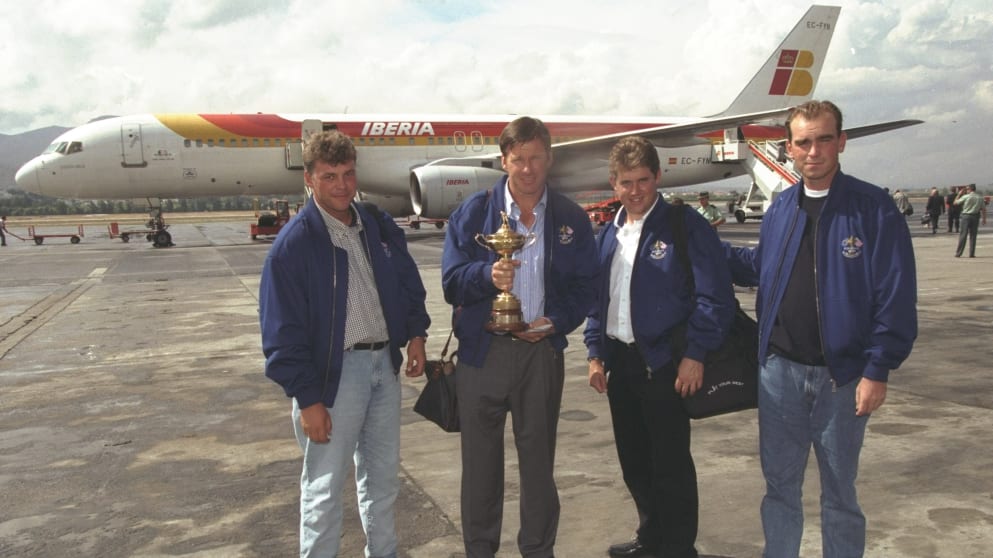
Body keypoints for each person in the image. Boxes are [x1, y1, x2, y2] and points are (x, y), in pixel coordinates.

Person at [724, 100, 918, 558]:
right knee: (780, 488)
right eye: (804, 142)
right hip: (780, 374)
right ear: (789, 148)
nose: (813, 151)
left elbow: (895, 294)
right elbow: (761, 267)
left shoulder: (872, 209)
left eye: (823, 139)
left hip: (843, 377)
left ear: (841, 142)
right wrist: (702, 242)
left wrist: (877, 369)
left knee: (840, 494)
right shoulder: (780, 209)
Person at [259, 130, 430, 558]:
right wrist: (308, 398)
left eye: (348, 174)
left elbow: (408, 282)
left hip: (382, 370)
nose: (341, 185)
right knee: (324, 489)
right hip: (333, 381)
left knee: (382, 483)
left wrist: (417, 334)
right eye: (329, 176)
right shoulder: (293, 247)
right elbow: (282, 335)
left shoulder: (375, 224)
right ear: (309, 180)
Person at [442, 116, 598, 558]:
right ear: (503, 161)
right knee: (480, 468)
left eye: (535, 158)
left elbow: (585, 287)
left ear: (549, 158)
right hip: (481, 354)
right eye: (517, 159)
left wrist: (555, 322)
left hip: (539, 354)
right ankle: (480, 551)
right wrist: (486, 274)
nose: (527, 169)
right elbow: (452, 282)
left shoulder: (570, 217)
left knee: (538, 466)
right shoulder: (473, 213)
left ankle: (537, 549)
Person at [584, 136, 734, 558]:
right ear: (613, 184)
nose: (635, 191)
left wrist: (696, 354)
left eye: (643, 180)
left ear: (658, 178)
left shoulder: (684, 225)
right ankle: (651, 539)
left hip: (667, 364)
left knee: (671, 467)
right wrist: (595, 353)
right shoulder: (609, 234)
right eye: (626, 182)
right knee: (635, 463)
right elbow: (600, 302)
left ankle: (679, 548)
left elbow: (715, 296)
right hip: (622, 366)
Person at [953, 183, 988, 258]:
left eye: (967, 189)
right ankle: (971, 253)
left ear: (970, 189)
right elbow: (983, 209)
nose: (966, 191)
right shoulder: (980, 197)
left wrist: (959, 194)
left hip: (966, 216)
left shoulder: (966, 196)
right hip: (975, 216)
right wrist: (984, 219)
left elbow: (955, 203)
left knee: (963, 235)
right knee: (973, 235)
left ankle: (959, 253)